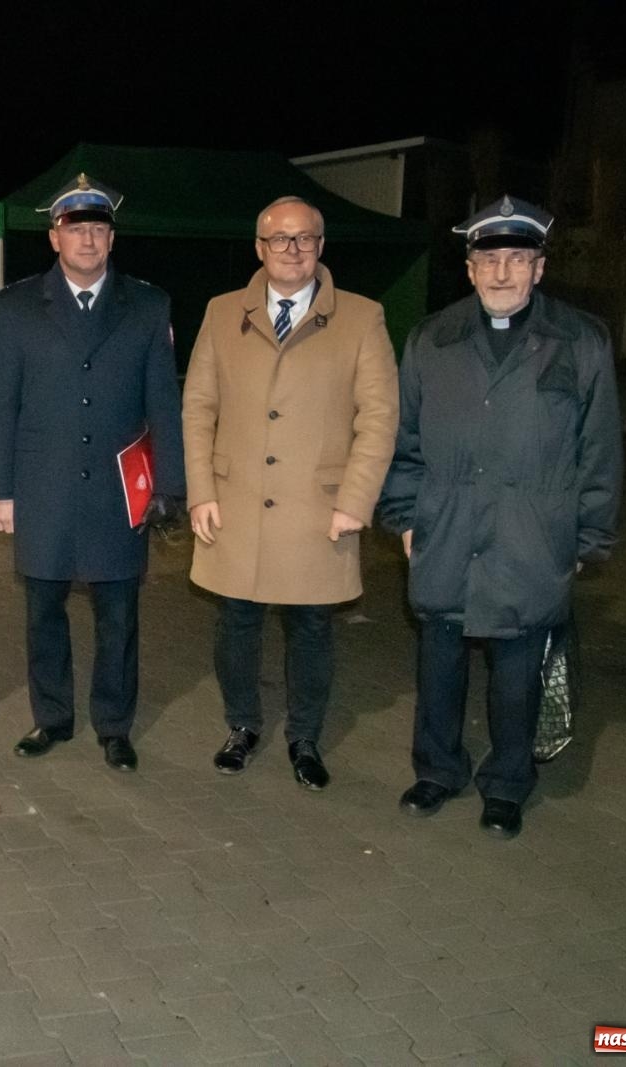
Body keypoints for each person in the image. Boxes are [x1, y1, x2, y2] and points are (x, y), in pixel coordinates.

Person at [378, 195, 622, 840]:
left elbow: (600, 449)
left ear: (540, 268)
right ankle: (437, 770)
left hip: (531, 536)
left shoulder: (580, 340)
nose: (503, 273)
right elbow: (403, 441)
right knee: (439, 666)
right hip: (447, 529)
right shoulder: (432, 338)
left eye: (518, 259)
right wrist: (405, 517)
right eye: (490, 259)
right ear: (469, 268)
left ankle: (508, 784)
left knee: (517, 676)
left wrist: (586, 538)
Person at [182, 196, 398, 790]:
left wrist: (356, 500)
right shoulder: (222, 312)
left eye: (305, 238)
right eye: (280, 239)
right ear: (259, 248)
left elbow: (379, 416)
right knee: (238, 623)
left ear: (321, 246)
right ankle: (243, 726)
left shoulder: (362, 317)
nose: (292, 249)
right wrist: (201, 489)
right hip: (237, 502)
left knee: (311, 628)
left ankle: (305, 736)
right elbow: (199, 406)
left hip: (317, 511)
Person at [0, 174, 184, 771]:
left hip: (120, 495)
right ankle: (52, 719)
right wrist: (0, 491)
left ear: (112, 238)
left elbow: (163, 404)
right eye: (77, 230)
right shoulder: (16, 306)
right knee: (43, 613)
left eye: (98, 229)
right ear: (54, 238)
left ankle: (115, 726)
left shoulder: (148, 306)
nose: (88, 240)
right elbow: (0, 403)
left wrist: (171, 485)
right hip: (43, 491)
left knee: (118, 616)